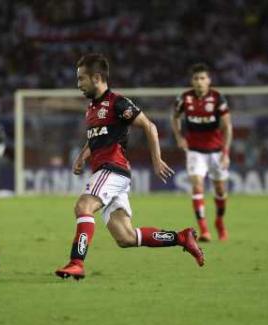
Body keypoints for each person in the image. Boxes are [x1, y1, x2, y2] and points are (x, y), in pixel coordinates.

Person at [55, 53, 205, 280]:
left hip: (112, 168)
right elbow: (97, 137)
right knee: (125, 237)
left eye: (81, 79)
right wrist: (83, 155)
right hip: (108, 172)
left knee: (83, 207)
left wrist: (156, 159)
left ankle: (76, 262)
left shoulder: (117, 102)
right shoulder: (92, 108)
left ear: (97, 77)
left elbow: (149, 126)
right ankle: (182, 238)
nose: (78, 85)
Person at [170, 63, 233, 242]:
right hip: (195, 151)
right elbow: (174, 117)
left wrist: (226, 152)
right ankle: (204, 229)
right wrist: (179, 137)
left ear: (209, 80)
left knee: (220, 189)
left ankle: (219, 222)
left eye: (203, 78)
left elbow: (227, 126)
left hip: (216, 150)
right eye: (196, 78)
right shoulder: (184, 98)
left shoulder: (218, 98)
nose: (199, 82)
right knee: (197, 185)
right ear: (192, 81)